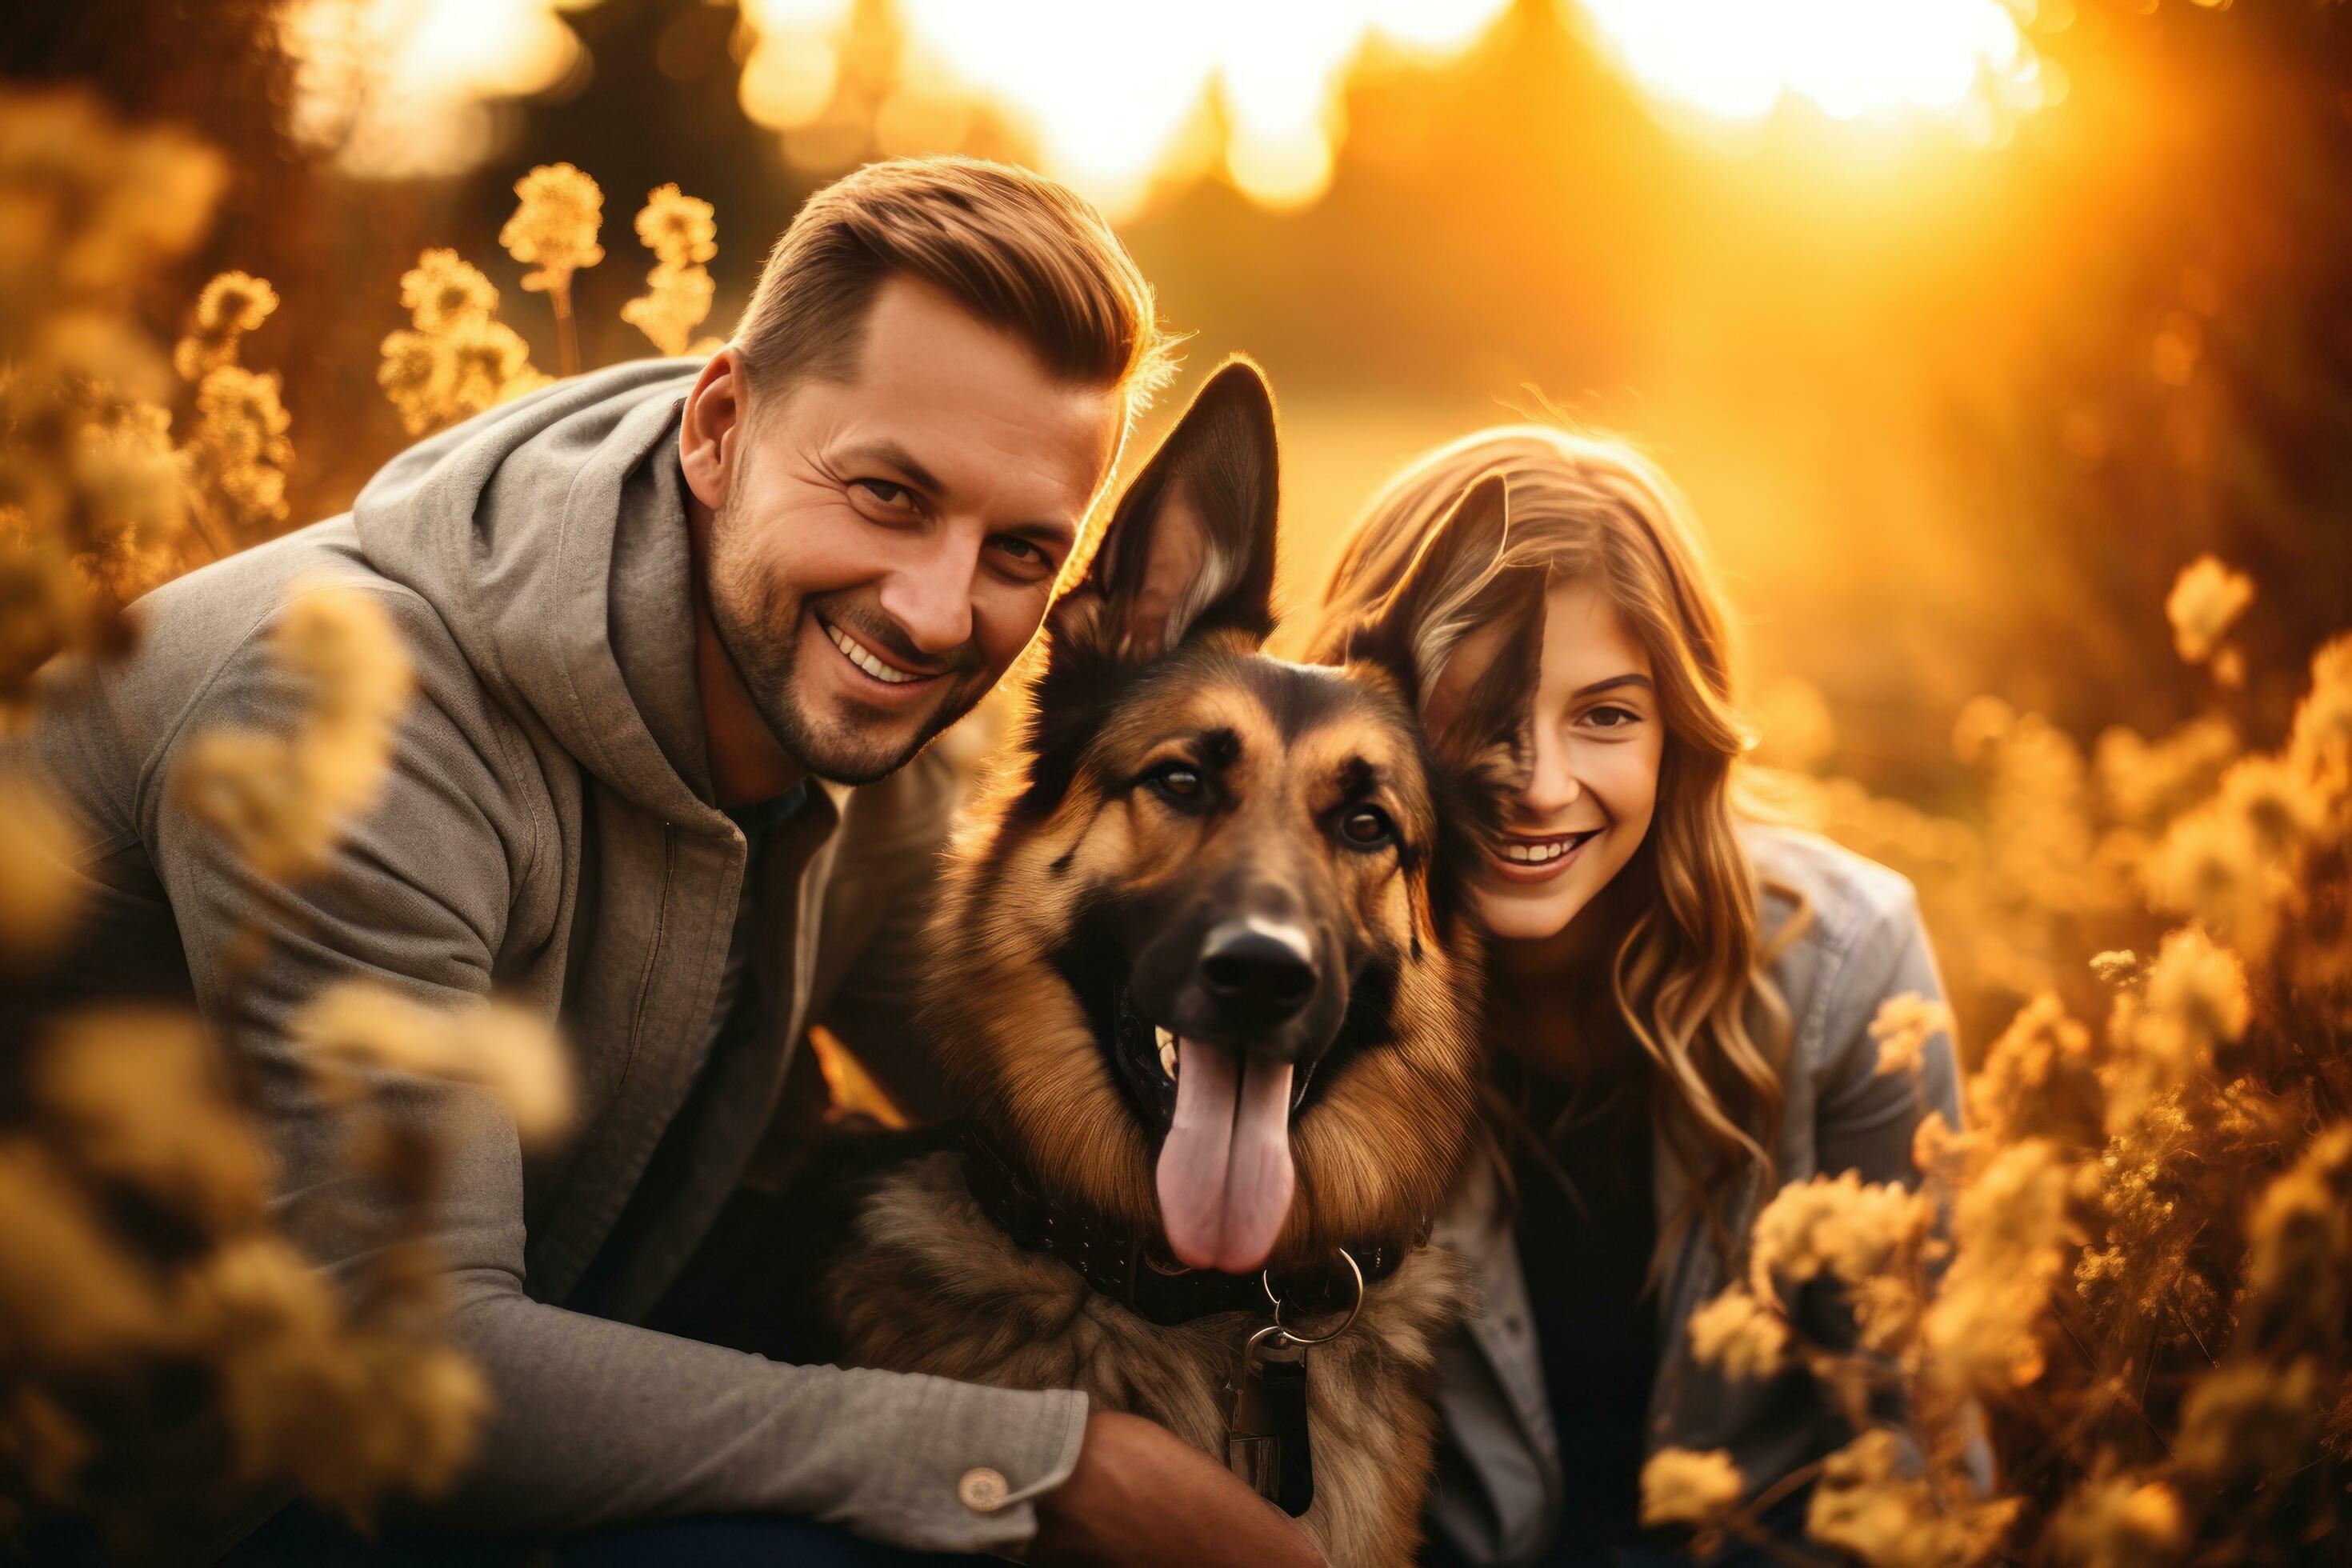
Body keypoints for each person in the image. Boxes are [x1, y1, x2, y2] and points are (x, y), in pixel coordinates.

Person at [24, 157, 1320, 1568]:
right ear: (717, 428)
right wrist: (1054, 1471)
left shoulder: (866, 740)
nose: (940, 612)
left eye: (1019, 549)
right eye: (888, 494)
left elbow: (1033, 1096)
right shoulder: (343, 712)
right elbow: (418, 1367)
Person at [1305, 427, 1964, 1566]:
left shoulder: (1848, 965)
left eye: (1605, 716)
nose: (1539, 783)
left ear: (1679, 734)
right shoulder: (1292, 982)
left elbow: (1921, 1430)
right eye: (1477, 716)